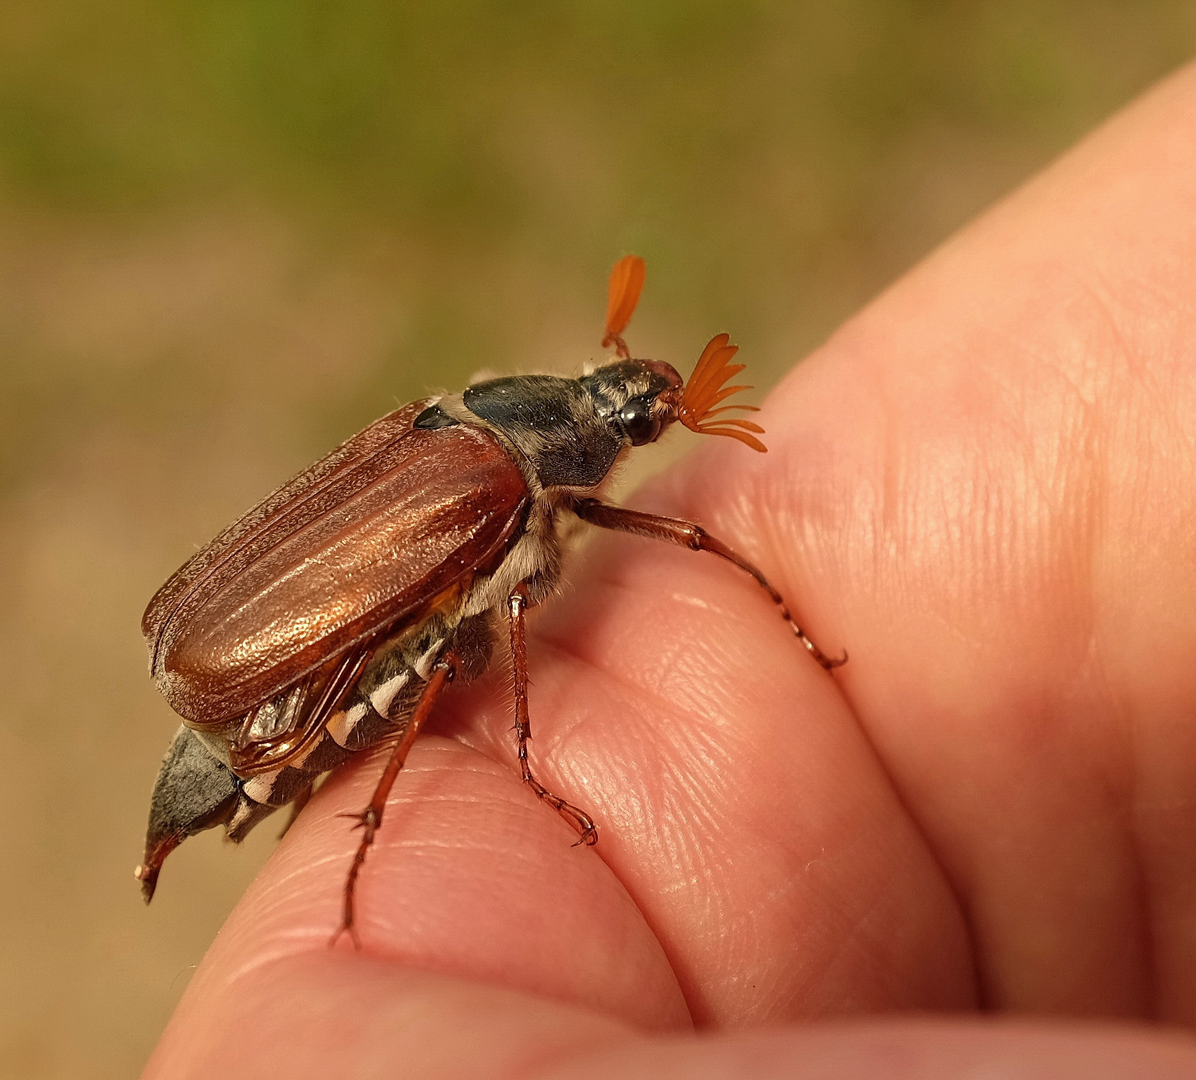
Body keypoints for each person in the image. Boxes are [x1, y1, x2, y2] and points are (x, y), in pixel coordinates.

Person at [143, 61, 1196, 1078]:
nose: (637, 422)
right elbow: (512, 614)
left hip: (240, 624)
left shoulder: (473, 436)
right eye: (635, 412)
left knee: (461, 638)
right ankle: (384, 804)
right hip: (266, 696)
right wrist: (520, 743)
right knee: (443, 656)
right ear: (584, 431)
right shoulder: (489, 494)